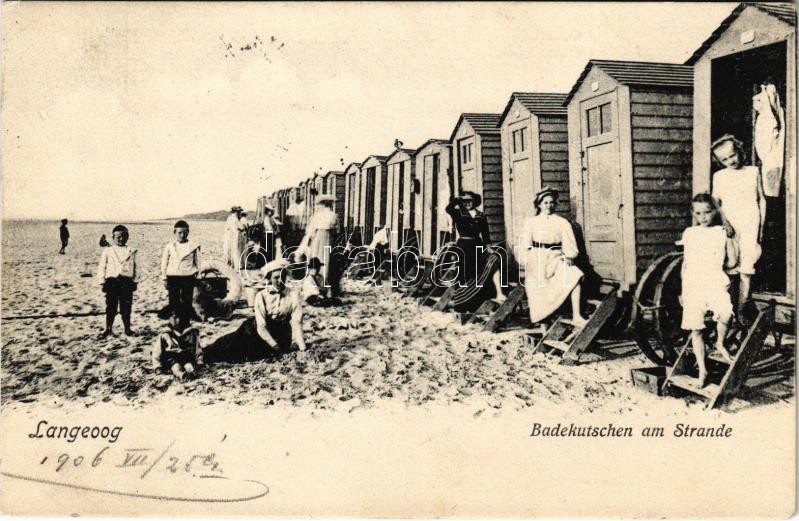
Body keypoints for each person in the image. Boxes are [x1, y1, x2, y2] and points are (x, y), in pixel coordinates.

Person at [680, 193, 738, 388]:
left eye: (707, 212)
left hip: (714, 280)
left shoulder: (721, 232)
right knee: (695, 328)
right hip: (693, 283)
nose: (703, 216)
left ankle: (720, 342)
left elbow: (732, 261)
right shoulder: (689, 233)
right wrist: (683, 291)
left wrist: (731, 240)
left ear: (714, 212)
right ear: (693, 214)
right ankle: (702, 371)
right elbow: (686, 264)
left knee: (726, 313)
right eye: (698, 213)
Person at [203, 259, 306, 363]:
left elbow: (297, 321)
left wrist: (302, 347)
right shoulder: (261, 296)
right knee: (231, 346)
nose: (279, 280)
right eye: (276, 277)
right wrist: (275, 347)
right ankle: (206, 351)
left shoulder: (293, 294)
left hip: (281, 334)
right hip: (257, 332)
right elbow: (261, 326)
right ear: (269, 278)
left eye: (282, 277)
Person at [711, 134, 766, 320]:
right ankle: (729, 309)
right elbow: (716, 201)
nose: (730, 161)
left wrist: (762, 226)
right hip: (732, 225)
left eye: (732, 155)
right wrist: (724, 221)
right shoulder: (719, 176)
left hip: (751, 221)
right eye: (724, 159)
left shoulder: (753, 172)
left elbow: (761, 199)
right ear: (719, 161)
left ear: (739, 151)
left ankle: (742, 308)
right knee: (731, 265)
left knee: (747, 266)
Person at [520, 187, 588, 332]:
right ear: (539, 204)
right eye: (545, 203)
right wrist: (528, 260)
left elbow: (569, 243)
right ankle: (544, 327)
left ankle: (577, 315)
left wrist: (569, 256)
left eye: (551, 203)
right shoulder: (531, 222)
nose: (549, 206)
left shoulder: (562, 222)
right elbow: (525, 245)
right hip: (537, 258)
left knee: (574, 274)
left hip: (556, 257)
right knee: (537, 287)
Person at [445, 191, 505, 305]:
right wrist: (458, 199)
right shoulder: (458, 213)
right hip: (463, 246)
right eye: (465, 201)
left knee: (493, 261)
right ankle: (462, 300)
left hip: (478, 245)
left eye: (470, 200)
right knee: (464, 273)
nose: (467, 203)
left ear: (475, 201)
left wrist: (488, 247)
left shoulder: (481, 215)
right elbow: (448, 208)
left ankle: (498, 293)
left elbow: (485, 235)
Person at [96, 224, 138, 338]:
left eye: (124, 236)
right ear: (113, 237)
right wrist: (102, 281)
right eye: (118, 236)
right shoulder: (108, 251)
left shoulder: (131, 251)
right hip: (112, 282)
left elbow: (136, 267)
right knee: (111, 307)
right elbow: (102, 266)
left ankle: (127, 329)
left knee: (126, 307)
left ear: (128, 236)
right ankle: (108, 328)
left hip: (126, 282)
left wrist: (135, 281)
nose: (121, 239)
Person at [161, 220, 201, 323]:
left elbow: (198, 263)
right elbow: (164, 264)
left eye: (185, 232)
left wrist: (198, 277)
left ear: (188, 232)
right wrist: (164, 278)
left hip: (188, 276)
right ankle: (175, 319)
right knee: (174, 300)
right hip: (173, 276)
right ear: (174, 232)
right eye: (180, 233)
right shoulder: (169, 246)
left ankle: (185, 320)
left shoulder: (194, 246)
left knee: (187, 300)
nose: (182, 235)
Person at [298, 195, 339, 295]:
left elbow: (311, 230)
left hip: (317, 237)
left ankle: (313, 283)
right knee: (327, 260)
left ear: (322, 205)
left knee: (316, 258)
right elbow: (337, 230)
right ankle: (325, 284)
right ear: (329, 204)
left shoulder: (317, 215)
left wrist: (311, 238)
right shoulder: (333, 215)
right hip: (328, 238)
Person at [152, 311, 202, 380]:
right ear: (169, 319)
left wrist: (199, 361)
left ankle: (192, 372)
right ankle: (181, 375)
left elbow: (197, 349)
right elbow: (157, 352)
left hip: (186, 354)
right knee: (176, 366)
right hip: (172, 356)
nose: (178, 320)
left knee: (188, 364)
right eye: (174, 317)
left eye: (180, 317)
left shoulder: (191, 332)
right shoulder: (165, 334)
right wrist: (157, 366)